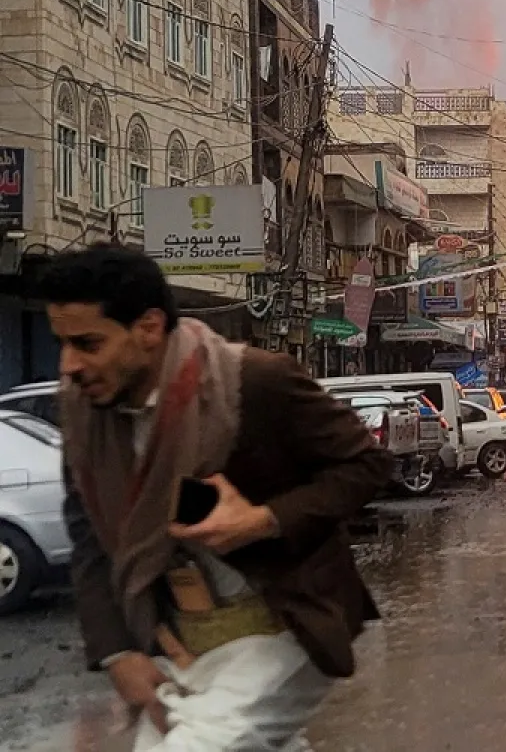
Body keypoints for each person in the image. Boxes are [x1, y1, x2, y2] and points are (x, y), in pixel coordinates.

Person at [39, 244, 392, 750]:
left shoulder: (254, 381)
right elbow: (90, 540)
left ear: (148, 328)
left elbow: (368, 464)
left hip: (283, 629)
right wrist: (118, 652)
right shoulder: (85, 417)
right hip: (182, 641)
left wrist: (263, 520)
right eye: (63, 344)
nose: (69, 364)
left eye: (88, 343)